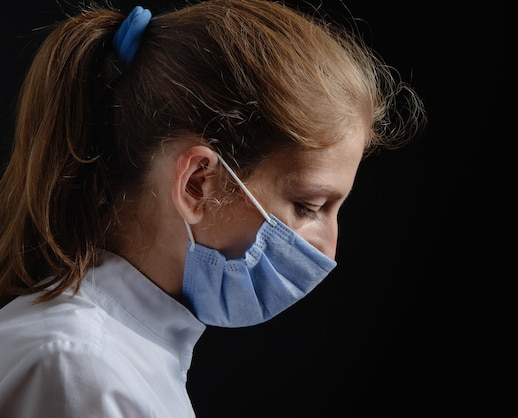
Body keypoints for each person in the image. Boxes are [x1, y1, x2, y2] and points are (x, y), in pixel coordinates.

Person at [0, 0, 425, 416]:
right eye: (309, 206)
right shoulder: (79, 369)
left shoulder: (126, 354)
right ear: (198, 184)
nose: (327, 250)